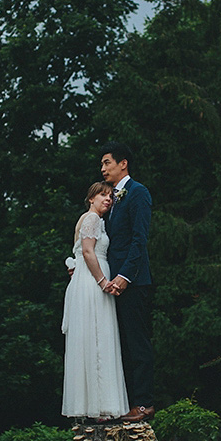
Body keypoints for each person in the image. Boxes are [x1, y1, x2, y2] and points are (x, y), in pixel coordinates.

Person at [61, 181, 129, 420]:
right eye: (103, 195)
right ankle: (100, 406)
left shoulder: (95, 221)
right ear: (91, 198)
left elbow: (79, 252)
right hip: (93, 283)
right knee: (97, 337)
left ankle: (97, 404)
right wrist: (102, 281)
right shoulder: (90, 218)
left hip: (88, 279)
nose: (108, 199)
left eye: (110, 196)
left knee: (95, 338)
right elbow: (89, 252)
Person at [99, 141, 155, 423]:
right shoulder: (111, 199)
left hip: (132, 282)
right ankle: (122, 403)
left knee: (137, 343)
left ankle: (143, 403)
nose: (103, 168)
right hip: (111, 283)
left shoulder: (138, 193)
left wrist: (124, 277)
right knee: (117, 344)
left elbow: (138, 240)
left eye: (107, 162)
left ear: (123, 164)